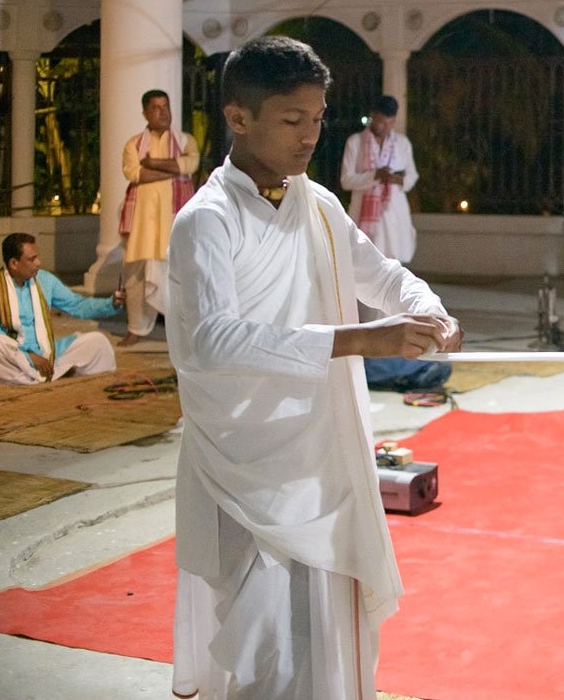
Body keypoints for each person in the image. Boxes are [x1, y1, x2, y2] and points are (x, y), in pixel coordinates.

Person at [167, 36, 463, 700]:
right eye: (292, 119)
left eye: (319, 117)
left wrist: (429, 309)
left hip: (321, 451)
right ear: (239, 118)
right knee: (267, 638)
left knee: (327, 628)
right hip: (247, 461)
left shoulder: (319, 203)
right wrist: (362, 339)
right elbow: (214, 340)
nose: (310, 135)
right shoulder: (206, 221)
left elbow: (380, 273)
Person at [0, 233, 123, 384]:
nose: (39, 263)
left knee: (98, 342)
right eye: (32, 259)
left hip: (46, 354)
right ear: (14, 263)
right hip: (13, 357)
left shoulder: (44, 280)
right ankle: (38, 375)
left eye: (38, 257)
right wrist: (29, 356)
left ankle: (31, 378)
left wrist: (111, 303)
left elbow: (77, 304)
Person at [118, 88, 198, 346]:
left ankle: (185, 329)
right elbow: (134, 174)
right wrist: (171, 168)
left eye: (166, 107)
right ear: (145, 112)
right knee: (136, 278)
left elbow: (190, 165)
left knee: (180, 276)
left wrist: (152, 164)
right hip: (143, 224)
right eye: (156, 107)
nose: (163, 112)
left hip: (175, 223)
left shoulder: (186, 141)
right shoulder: (133, 144)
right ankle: (135, 328)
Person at [341, 94, 419, 263]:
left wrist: (399, 180)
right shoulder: (355, 142)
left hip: (394, 212)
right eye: (381, 122)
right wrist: (375, 175)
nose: (385, 127)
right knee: (365, 261)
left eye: (390, 123)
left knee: (395, 263)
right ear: (372, 116)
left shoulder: (402, 143)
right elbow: (346, 180)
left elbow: (412, 174)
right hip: (364, 212)